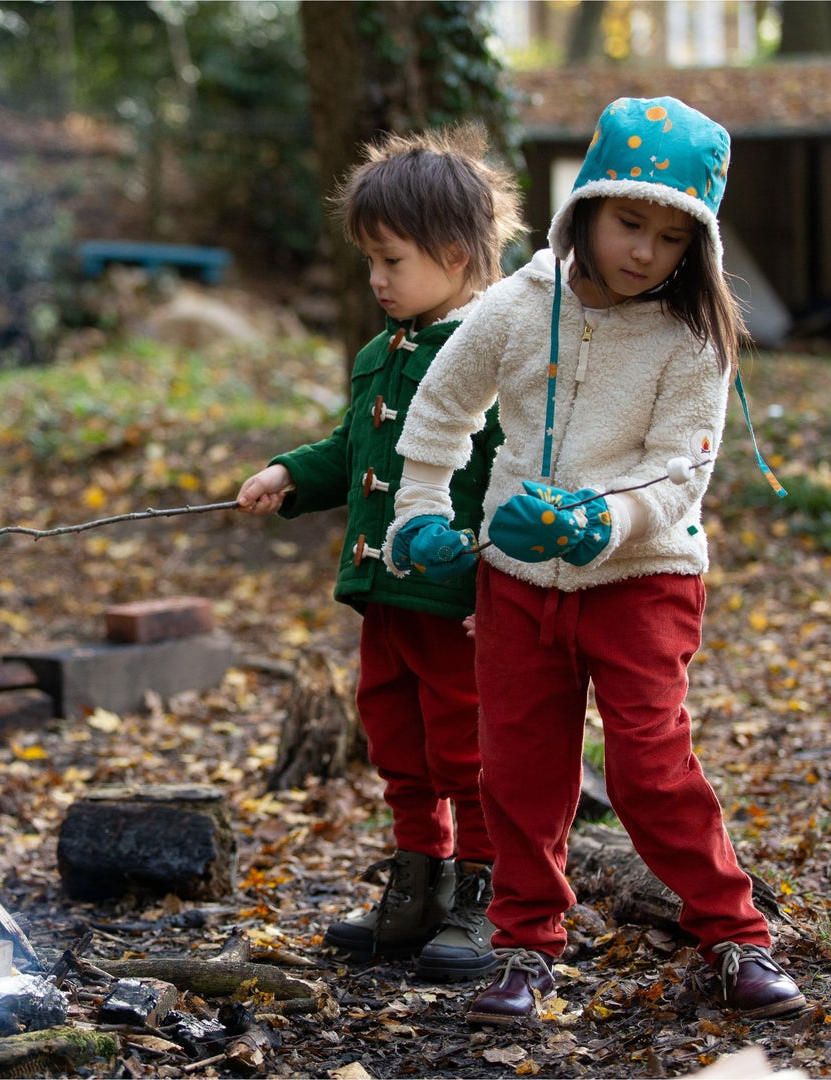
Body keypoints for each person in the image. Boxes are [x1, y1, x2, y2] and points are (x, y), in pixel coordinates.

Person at [383, 96, 807, 1023]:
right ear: (585, 206)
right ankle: (525, 949)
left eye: (670, 236)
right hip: (516, 584)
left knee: (652, 768)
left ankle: (735, 938)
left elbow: (678, 474)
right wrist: (420, 511)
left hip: (643, 580)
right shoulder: (518, 305)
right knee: (519, 772)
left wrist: (597, 525)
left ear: (698, 245)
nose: (645, 252)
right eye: (629, 221)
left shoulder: (695, 336)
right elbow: (443, 408)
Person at [237, 125, 526, 982]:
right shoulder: (378, 355)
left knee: (467, 750)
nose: (375, 279)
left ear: (451, 253)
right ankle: (418, 878)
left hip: (459, 603)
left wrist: (499, 579)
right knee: (397, 743)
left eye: (391, 261)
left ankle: (486, 888)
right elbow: (355, 448)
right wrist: (291, 472)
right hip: (384, 601)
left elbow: (522, 474)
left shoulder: (499, 354)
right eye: (369, 260)